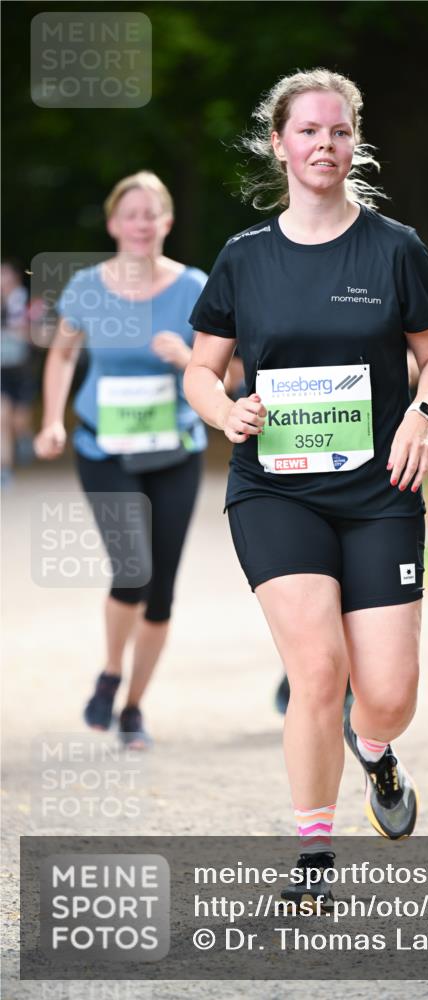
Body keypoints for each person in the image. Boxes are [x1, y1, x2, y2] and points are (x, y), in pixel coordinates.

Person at [185, 68, 428, 907]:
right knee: (317, 666)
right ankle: (311, 857)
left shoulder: (394, 247)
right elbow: (201, 369)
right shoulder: (244, 258)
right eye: (307, 131)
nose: (323, 146)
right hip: (276, 489)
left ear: (354, 141)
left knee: (386, 694)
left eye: (338, 132)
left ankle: (373, 752)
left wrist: (419, 414)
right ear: (279, 142)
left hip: (378, 489)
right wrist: (226, 411)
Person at [34, 171, 207, 750]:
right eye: (130, 213)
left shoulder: (194, 289)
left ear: (167, 222)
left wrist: (186, 356)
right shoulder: (87, 287)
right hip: (104, 449)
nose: (140, 222)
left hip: (174, 452)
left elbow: (227, 372)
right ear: (113, 223)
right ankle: (111, 672)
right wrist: (53, 419)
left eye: (151, 212)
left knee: (161, 591)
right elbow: (61, 356)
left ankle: (133, 707)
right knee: (131, 569)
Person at [1, 260, 37, 485]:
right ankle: (4, 469)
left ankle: (24, 437)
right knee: (1, 419)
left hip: (23, 369)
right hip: (1, 370)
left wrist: (25, 332)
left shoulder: (29, 304)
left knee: (18, 422)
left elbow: (40, 336)